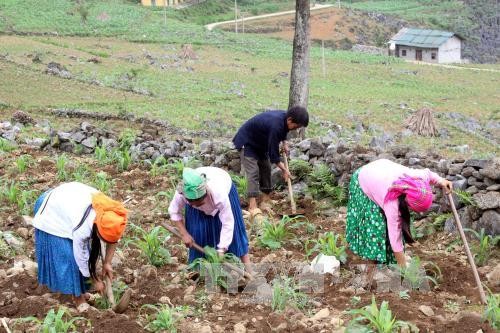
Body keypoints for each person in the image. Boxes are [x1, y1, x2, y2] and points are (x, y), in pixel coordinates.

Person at [32, 182, 128, 308]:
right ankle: (78, 299)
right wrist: (95, 281)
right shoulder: (84, 227)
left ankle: (81, 290)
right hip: (53, 210)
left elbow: (114, 239)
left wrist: (107, 263)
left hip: (70, 203)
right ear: (96, 227)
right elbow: (81, 257)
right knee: (69, 258)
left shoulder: (113, 216)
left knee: (80, 256)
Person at [346, 159, 452, 267]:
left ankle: (389, 259)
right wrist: (403, 267)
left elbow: (428, 174)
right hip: (364, 179)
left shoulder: (418, 179)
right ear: (408, 202)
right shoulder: (392, 203)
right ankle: (373, 260)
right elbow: (395, 238)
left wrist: (441, 180)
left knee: (385, 226)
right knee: (376, 226)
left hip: (380, 171)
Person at [168, 167, 251, 270]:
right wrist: (184, 234)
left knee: (235, 234)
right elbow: (174, 211)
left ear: (206, 193)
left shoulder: (219, 193)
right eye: (193, 204)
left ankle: (249, 270)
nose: (198, 206)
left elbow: (228, 222)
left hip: (224, 185)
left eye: (200, 203)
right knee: (198, 234)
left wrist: (221, 250)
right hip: (195, 204)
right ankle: (200, 272)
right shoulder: (182, 193)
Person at [232, 106, 309, 215]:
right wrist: (284, 170)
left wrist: (285, 143)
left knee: (266, 168)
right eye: (296, 126)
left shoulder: (284, 117)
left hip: (260, 143)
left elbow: (284, 130)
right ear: (290, 120)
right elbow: (274, 156)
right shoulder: (276, 126)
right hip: (248, 142)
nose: (295, 129)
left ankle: (265, 200)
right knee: (253, 172)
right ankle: (252, 207)